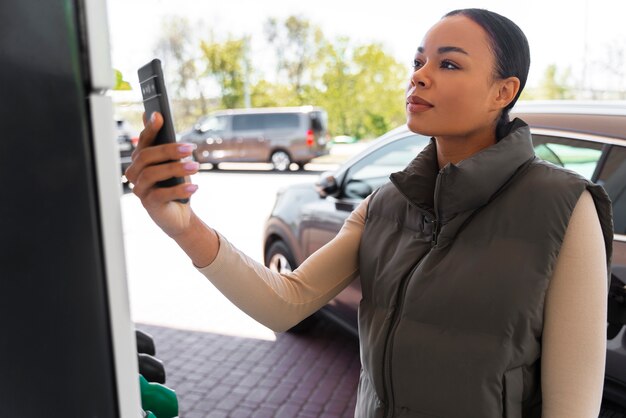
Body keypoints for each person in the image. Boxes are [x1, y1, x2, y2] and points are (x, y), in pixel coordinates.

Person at [125, 8, 613, 418]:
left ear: (503, 93)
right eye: (419, 60)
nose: (419, 74)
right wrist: (184, 226)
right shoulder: (386, 202)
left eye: (448, 65)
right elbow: (285, 301)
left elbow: (571, 407)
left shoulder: (565, 208)